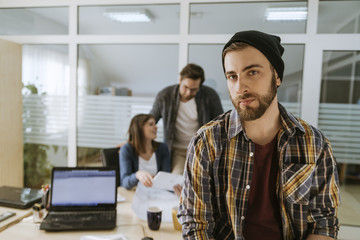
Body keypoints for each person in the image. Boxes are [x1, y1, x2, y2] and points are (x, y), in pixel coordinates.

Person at [178, 30, 340, 240]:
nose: (240, 87)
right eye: (232, 76)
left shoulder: (315, 144)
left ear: (277, 76)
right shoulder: (207, 142)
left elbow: (324, 223)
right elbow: (195, 224)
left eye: (252, 72)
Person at [150, 63, 224, 175]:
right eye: (186, 87)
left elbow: (221, 124)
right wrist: (132, 141)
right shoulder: (165, 95)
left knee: (201, 182)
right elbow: (150, 120)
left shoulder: (210, 96)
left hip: (201, 150)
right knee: (176, 181)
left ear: (200, 86)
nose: (189, 92)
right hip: (176, 150)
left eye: (194, 89)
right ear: (180, 80)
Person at [119, 114, 171, 189]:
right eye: (151, 124)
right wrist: (137, 175)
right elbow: (125, 182)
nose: (156, 127)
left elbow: (166, 178)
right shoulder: (127, 149)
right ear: (139, 128)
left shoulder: (163, 148)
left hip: (157, 193)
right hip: (135, 193)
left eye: (155, 124)